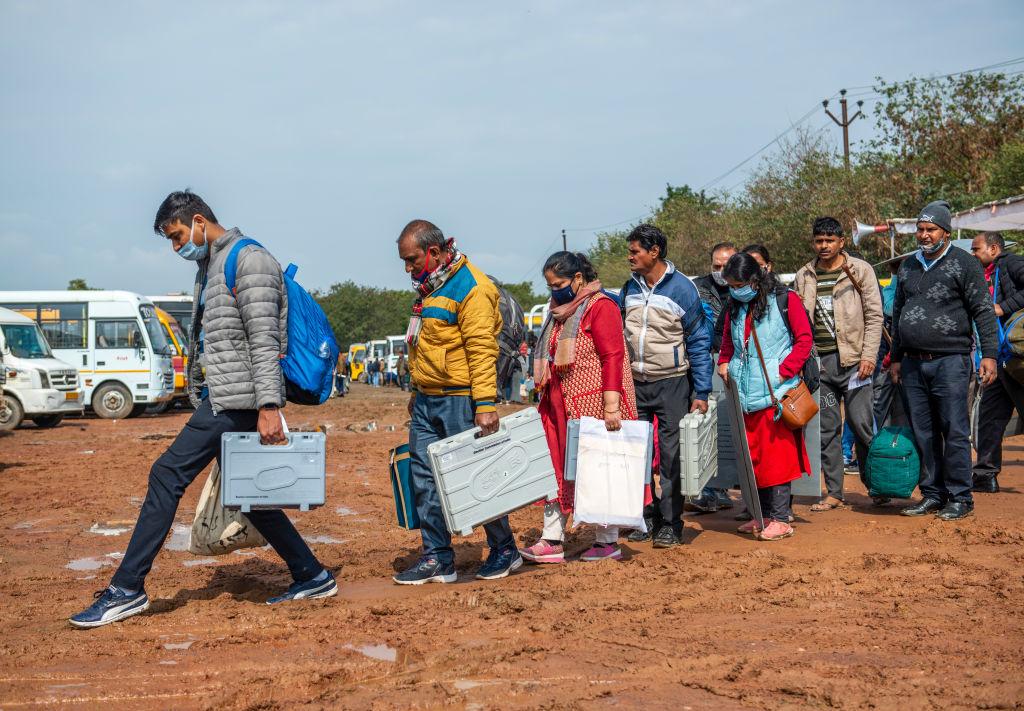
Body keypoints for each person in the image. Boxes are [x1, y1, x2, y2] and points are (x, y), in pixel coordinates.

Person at [70, 191, 335, 628]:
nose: (177, 247)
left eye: (177, 237)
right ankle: (311, 574)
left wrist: (270, 405)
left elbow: (265, 339)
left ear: (198, 220)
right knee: (248, 494)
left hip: (239, 400)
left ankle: (127, 589)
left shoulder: (249, 261)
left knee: (166, 474)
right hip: (228, 395)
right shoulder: (210, 264)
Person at [394, 220, 519, 584]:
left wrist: (484, 403)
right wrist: (417, 391)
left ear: (434, 252)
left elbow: (481, 350)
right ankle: (438, 557)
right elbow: (426, 346)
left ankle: (504, 548)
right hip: (427, 402)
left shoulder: (473, 287)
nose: (407, 268)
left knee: (476, 477)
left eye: (412, 260)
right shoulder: (430, 288)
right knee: (424, 480)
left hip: (461, 401)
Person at [520, 252, 639, 563]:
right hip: (557, 407)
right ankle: (551, 539)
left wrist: (611, 406)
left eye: (558, 284)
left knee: (599, 470)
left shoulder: (601, 307)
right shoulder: (557, 312)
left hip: (594, 406)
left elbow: (613, 356)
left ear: (577, 279)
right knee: (554, 469)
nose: (553, 291)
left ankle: (607, 541)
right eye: (549, 286)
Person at [891, 201, 999, 521]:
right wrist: (895, 358)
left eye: (930, 230)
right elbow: (898, 314)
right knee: (923, 432)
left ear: (945, 232)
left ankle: (960, 497)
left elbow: (982, 310)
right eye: (920, 230)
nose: (923, 235)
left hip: (950, 361)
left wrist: (989, 354)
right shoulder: (909, 266)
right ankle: (933, 494)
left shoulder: (965, 264)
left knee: (953, 430)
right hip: (912, 363)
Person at [620, 224, 713, 548]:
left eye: (635, 251)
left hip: (673, 383)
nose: (629, 257)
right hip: (636, 383)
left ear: (654, 251)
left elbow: (700, 341)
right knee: (637, 455)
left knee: (672, 457)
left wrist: (701, 392)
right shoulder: (628, 289)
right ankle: (646, 518)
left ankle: (671, 524)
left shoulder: (683, 289)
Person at [718, 252, 813, 540]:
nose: (735, 290)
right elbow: (727, 341)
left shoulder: (786, 300)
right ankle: (762, 516)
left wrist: (785, 370)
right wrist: (724, 362)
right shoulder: (735, 306)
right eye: (731, 285)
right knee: (753, 458)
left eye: (738, 284)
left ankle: (781, 518)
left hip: (775, 394)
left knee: (778, 460)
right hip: (744, 395)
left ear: (754, 280)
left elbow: (804, 339)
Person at [793, 217, 883, 512]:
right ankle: (835, 492)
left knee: (861, 425)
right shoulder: (804, 275)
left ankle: (877, 486)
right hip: (820, 365)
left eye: (830, 240)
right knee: (827, 429)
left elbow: (874, 316)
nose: (824, 246)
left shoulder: (860, 270)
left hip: (856, 363)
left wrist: (869, 355)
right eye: (819, 240)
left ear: (841, 242)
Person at [970, 231, 1024, 493]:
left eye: (976, 248)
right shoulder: (982, 275)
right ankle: (984, 475)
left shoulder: (1011, 263)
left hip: (1018, 359)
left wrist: (1004, 307)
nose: (973, 253)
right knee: (989, 418)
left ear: (993, 249)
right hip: (996, 359)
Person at [691, 241, 738, 513]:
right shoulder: (697, 288)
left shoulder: (743, 288)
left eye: (726, 266)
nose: (721, 271)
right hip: (705, 361)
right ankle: (707, 489)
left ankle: (725, 487)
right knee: (707, 424)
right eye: (716, 266)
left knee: (730, 426)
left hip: (735, 361)